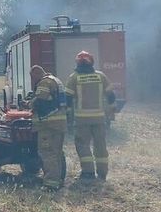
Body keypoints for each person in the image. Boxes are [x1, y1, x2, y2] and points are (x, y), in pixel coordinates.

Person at [66, 51, 115, 181]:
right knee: (100, 145)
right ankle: (102, 173)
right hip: (99, 118)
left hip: (82, 119)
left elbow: (68, 98)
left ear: (77, 63)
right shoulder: (101, 76)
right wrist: (111, 108)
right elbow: (111, 95)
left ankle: (88, 173)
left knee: (83, 145)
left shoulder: (74, 77)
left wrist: (68, 116)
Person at [29, 65, 67, 189]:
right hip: (60, 123)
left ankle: (50, 185)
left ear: (36, 73)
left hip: (47, 124)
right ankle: (59, 180)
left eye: (32, 77)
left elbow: (40, 102)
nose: (33, 80)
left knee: (47, 153)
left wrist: (29, 104)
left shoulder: (44, 82)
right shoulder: (56, 80)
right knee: (56, 153)